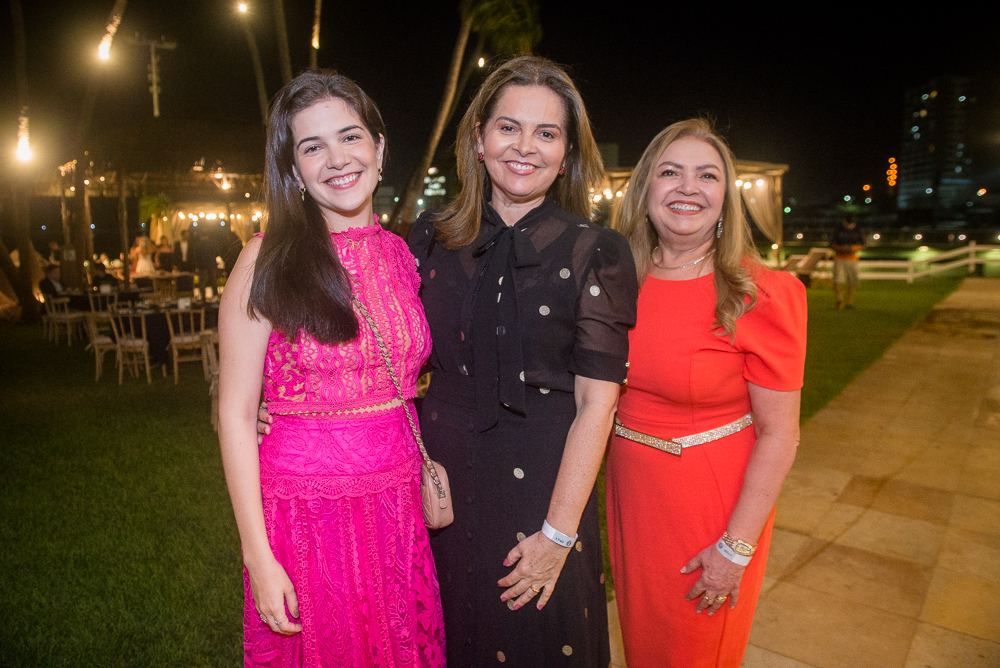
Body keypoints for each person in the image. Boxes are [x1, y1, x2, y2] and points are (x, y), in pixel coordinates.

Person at [409, 56, 636, 666]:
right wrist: (284, 406)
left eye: (547, 133)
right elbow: (382, 355)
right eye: (508, 127)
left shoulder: (597, 252)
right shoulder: (429, 238)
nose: (525, 147)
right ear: (479, 138)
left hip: (546, 492)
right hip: (439, 491)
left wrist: (558, 535)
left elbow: (597, 406)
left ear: (566, 154)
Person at [218, 70, 444, 666]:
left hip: (398, 508)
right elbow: (235, 413)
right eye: (312, 146)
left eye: (350, 137)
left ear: (379, 147)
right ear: (293, 168)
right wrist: (258, 556)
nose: (338, 159)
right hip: (305, 516)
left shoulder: (400, 255)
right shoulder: (264, 260)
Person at [607, 119, 806, 668]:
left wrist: (736, 548)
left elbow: (780, 435)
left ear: (726, 196)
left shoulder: (759, 294)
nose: (688, 188)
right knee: (645, 648)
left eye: (707, 175)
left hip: (710, 510)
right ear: (645, 188)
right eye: (670, 172)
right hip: (632, 499)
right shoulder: (616, 281)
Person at [830, 213, 865, 309]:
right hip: (839, 257)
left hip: (852, 258)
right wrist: (841, 248)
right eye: (848, 224)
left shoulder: (858, 230)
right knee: (837, 280)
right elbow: (831, 244)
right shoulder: (838, 230)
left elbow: (864, 245)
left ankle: (849, 302)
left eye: (852, 224)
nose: (850, 226)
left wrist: (855, 248)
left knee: (852, 281)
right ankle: (839, 300)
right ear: (844, 222)